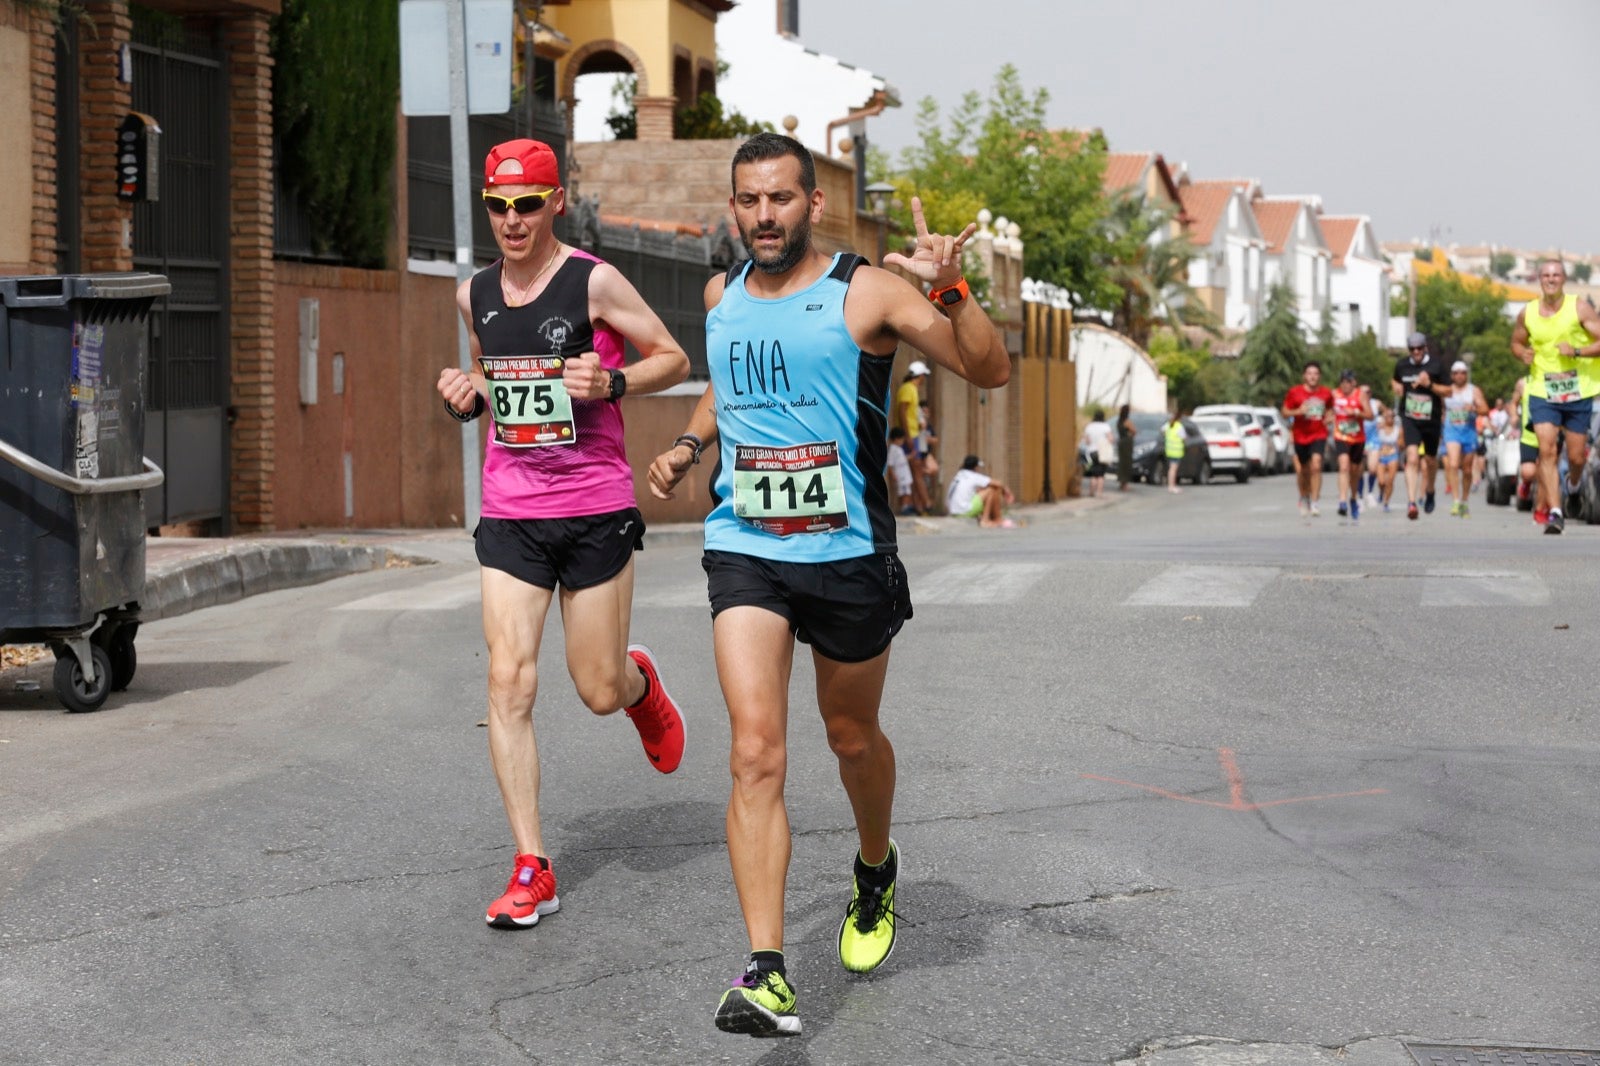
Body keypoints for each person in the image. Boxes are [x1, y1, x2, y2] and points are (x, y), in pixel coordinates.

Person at [646, 132, 1010, 1038]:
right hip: (746, 548)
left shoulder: (868, 292)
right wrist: (692, 445)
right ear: (733, 209)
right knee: (755, 752)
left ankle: (875, 869)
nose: (762, 215)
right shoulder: (720, 296)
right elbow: (726, 391)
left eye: (779, 198)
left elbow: (989, 369)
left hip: (846, 553)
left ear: (813, 204)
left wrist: (949, 288)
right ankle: (767, 971)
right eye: (747, 200)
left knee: (851, 738)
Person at [434, 139, 691, 931]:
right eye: (497, 206)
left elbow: (674, 357)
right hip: (511, 507)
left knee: (596, 689)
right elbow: (497, 374)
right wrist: (468, 391)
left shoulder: (595, 281)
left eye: (526, 204)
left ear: (555, 205)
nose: (511, 221)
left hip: (592, 505)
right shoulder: (472, 292)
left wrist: (612, 381)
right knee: (508, 683)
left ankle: (638, 683)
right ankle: (531, 865)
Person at [1510, 258, 1600, 535]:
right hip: (1542, 390)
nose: (1551, 279)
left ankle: (1573, 486)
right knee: (1547, 450)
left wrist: (1576, 352)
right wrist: (1521, 353)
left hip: (1578, 390)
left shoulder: (1580, 308)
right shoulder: (1528, 312)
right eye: (1546, 275)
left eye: (1556, 275)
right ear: (1539, 279)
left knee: (1575, 457)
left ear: (1563, 279)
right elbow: (1516, 341)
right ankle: (1556, 512)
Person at [1392, 330, 1451, 520]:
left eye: (1419, 348)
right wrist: (1395, 386)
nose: (1416, 352)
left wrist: (1430, 385)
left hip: (1431, 419)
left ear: (1425, 348)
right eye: (1412, 349)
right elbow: (1394, 379)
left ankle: (1430, 490)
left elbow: (1449, 391)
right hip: (1410, 417)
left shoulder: (1436, 365)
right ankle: (1411, 502)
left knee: (1431, 460)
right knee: (1412, 457)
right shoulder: (1402, 365)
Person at [1282, 361, 1333, 516]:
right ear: (1304, 376)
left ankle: (1315, 503)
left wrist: (1329, 418)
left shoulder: (1326, 393)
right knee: (1303, 471)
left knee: (1316, 466)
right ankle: (1304, 496)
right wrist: (1298, 411)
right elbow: (1284, 411)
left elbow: (1331, 409)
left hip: (1318, 434)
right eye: (1309, 373)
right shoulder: (1294, 392)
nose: (1312, 377)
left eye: (1316, 374)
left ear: (1319, 376)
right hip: (1300, 436)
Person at [1441, 360, 1488, 516]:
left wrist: (1474, 407)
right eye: (1456, 373)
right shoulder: (1447, 391)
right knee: (1453, 464)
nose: (1459, 375)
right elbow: (1439, 407)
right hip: (1451, 431)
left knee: (1467, 469)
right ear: (1452, 375)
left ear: (1466, 375)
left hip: (1468, 432)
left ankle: (1465, 501)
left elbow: (1485, 409)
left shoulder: (1474, 391)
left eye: (1462, 372)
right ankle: (1455, 501)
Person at [1330, 369, 1370, 521]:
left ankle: (1353, 498)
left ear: (1354, 383)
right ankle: (1342, 501)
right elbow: (1328, 410)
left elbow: (1370, 414)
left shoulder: (1360, 395)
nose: (1345, 385)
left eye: (1349, 381)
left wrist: (1356, 413)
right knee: (1344, 466)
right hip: (1341, 435)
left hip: (1357, 438)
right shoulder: (1334, 395)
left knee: (1354, 472)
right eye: (1343, 381)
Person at [894, 361, 932, 513]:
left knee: (916, 470)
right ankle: (926, 504)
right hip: (910, 435)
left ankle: (920, 505)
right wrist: (908, 436)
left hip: (914, 434)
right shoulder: (908, 389)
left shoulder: (913, 389)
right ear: (920, 375)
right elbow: (902, 412)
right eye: (924, 376)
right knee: (916, 470)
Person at [1511, 376, 1548, 524]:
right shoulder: (1523, 382)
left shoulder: (1557, 379)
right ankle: (1526, 483)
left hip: (1549, 436)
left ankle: (1540, 510)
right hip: (1529, 436)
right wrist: (1514, 415)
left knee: (1545, 474)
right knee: (1528, 472)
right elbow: (1513, 403)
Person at [946, 453, 1016, 527]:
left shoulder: (959, 475)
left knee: (982, 491)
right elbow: (998, 483)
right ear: (975, 467)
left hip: (953, 511)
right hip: (964, 511)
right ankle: (990, 520)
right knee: (992, 490)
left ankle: (991, 518)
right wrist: (1007, 492)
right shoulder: (973, 476)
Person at [1080, 407, 1113, 498]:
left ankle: (1091, 492)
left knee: (1094, 473)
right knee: (1101, 474)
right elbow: (1110, 439)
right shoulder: (1105, 426)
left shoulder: (1089, 426)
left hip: (1091, 452)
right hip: (1102, 452)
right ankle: (1099, 492)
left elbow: (1087, 441)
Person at [1374, 408, 1401, 511]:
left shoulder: (1398, 429)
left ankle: (1386, 502)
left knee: (1390, 481)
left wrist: (1399, 444)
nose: (1389, 419)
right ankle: (1381, 492)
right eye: (1387, 417)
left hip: (1393, 455)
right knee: (1381, 481)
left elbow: (1402, 444)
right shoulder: (1379, 428)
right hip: (1381, 456)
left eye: (1391, 417)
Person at [885, 427, 915, 514]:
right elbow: (890, 464)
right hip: (901, 475)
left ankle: (907, 506)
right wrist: (893, 474)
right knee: (904, 492)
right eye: (902, 439)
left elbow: (902, 459)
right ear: (896, 439)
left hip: (905, 474)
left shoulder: (899, 449)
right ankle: (904, 508)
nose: (903, 441)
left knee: (907, 491)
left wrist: (911, 456)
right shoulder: (893, 449)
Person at [1163, 411, 1186, 493]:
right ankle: (1171, 486)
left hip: (1169, 450)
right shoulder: (1179, 426)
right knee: (1173, 469)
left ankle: (1171, 485)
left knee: (1171, 468)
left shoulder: (1168, 425)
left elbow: (1162, 431)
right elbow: (1184, 438)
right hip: (1176, 451)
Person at [1116, 403, 1136, 491]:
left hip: (1121, 442)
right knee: (1127, 462)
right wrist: (1131, 434)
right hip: (1127, 442)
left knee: (1121, 462)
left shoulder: (1119, 421)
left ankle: (1121, 482)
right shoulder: (1127, 421)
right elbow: (1134, 431)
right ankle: (1125, 483)